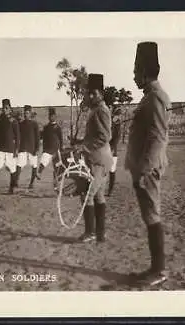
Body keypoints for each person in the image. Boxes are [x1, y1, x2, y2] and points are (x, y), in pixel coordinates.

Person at [124, 41, 171, 286]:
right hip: (144, 168)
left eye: (135, 71)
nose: (133, 76)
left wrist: (144, 170)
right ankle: (155, 268)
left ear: (144, 71)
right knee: (149, 216)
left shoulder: (155, 98)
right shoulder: (151, 97)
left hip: (148, 170)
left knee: (152, 216)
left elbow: (158, 138)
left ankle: (159, 271)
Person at [77, 73, 113, 243]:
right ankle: (100, 233)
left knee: (87, 195)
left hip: (99, 160)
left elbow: (105, 137)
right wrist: (81, 142)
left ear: (101, 93)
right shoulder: (96, 110)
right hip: (99, 160)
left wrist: (85, 146)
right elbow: (95, 135)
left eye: (94, 93)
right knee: (98, 196)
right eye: (89, 93)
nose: (91, 96)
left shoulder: (101, 110)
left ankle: (91, 233)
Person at [34, 107, 63, 189]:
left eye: (53, 116)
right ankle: (39, 173)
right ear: (48, 117)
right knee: (43, 160)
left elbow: (60, 139)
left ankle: (56, 185)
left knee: (57, 168)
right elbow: (41, 136)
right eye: (50, 116)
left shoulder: (58, 128)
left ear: (55, 117)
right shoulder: (46, 127)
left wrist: (61, 149)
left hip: (56, 149)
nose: (51, 117)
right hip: (47, 149)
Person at [15, 105, 40, 189]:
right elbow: (18, 136)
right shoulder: (20, 124)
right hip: (22, 148)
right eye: (25, 113)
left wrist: (37, 149)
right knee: (19, 164)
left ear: (30, 114)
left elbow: (37, 137)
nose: (26, 115)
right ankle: (16, 181)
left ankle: (31, 183)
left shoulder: (34, 124)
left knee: (34, 165)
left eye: (27, 113)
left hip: (32, 149)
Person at [107, 105, 123, 196]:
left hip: (112, 151)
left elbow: (116, 140)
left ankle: (110, 190)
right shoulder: (110, 124)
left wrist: (111, 149)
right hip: (105, 149)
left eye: (119, 115)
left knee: (112, 170)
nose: (118, 117)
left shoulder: (118, 127)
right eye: (117, 114)